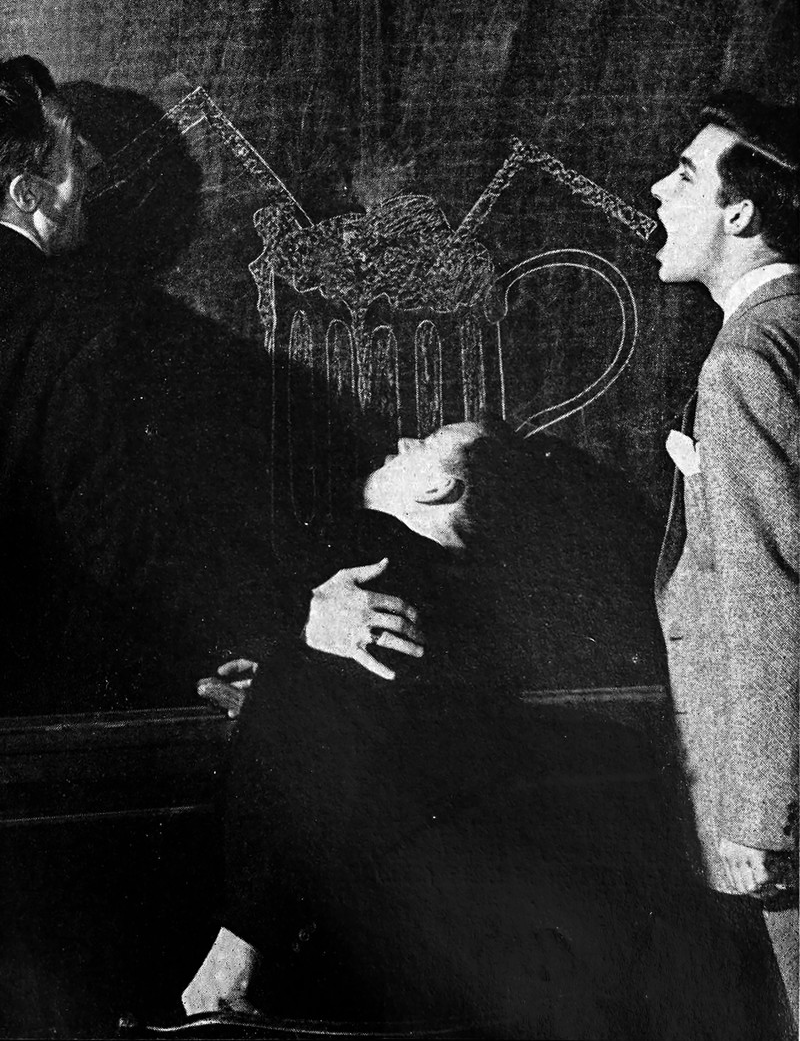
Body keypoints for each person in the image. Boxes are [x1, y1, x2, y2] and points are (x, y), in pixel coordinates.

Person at [180, 417, 666, 1040]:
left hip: (348, 953)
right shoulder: (453, 603)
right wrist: (284, 670)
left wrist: (238, 945)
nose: (406, 442)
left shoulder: (379, 567)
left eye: (430, 442)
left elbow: (322, 744)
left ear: (441, 489)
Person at [0, 53, 422, 712]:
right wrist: (298, 614)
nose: (96, 162)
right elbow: (120, 543)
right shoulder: (83, 327)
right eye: (74, 150)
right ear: (28, 195)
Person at [651, 90, 799, 1030]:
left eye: (684, 176)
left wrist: (762, 813)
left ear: (739, 214)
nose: (658, 193)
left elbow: (770, 595)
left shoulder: (746, 359)